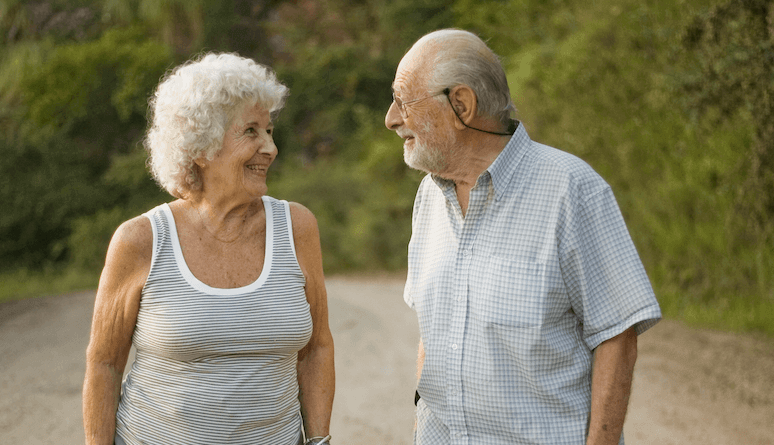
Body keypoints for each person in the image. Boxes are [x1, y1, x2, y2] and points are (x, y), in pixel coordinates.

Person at [385, 29, 663, 445]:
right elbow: (434, 332)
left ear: (461, 104)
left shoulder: (572, 190)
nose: (391, 118)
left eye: (404, 101)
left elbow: (616, 338)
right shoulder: (429, 195)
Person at [83, 53, 335, 445]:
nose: (270, 147)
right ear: (200, 145)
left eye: (269, 130)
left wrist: (319, 442)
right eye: (251, 131)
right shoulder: (140, 241)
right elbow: (104, 364)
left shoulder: (297, 227)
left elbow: (317, 349)